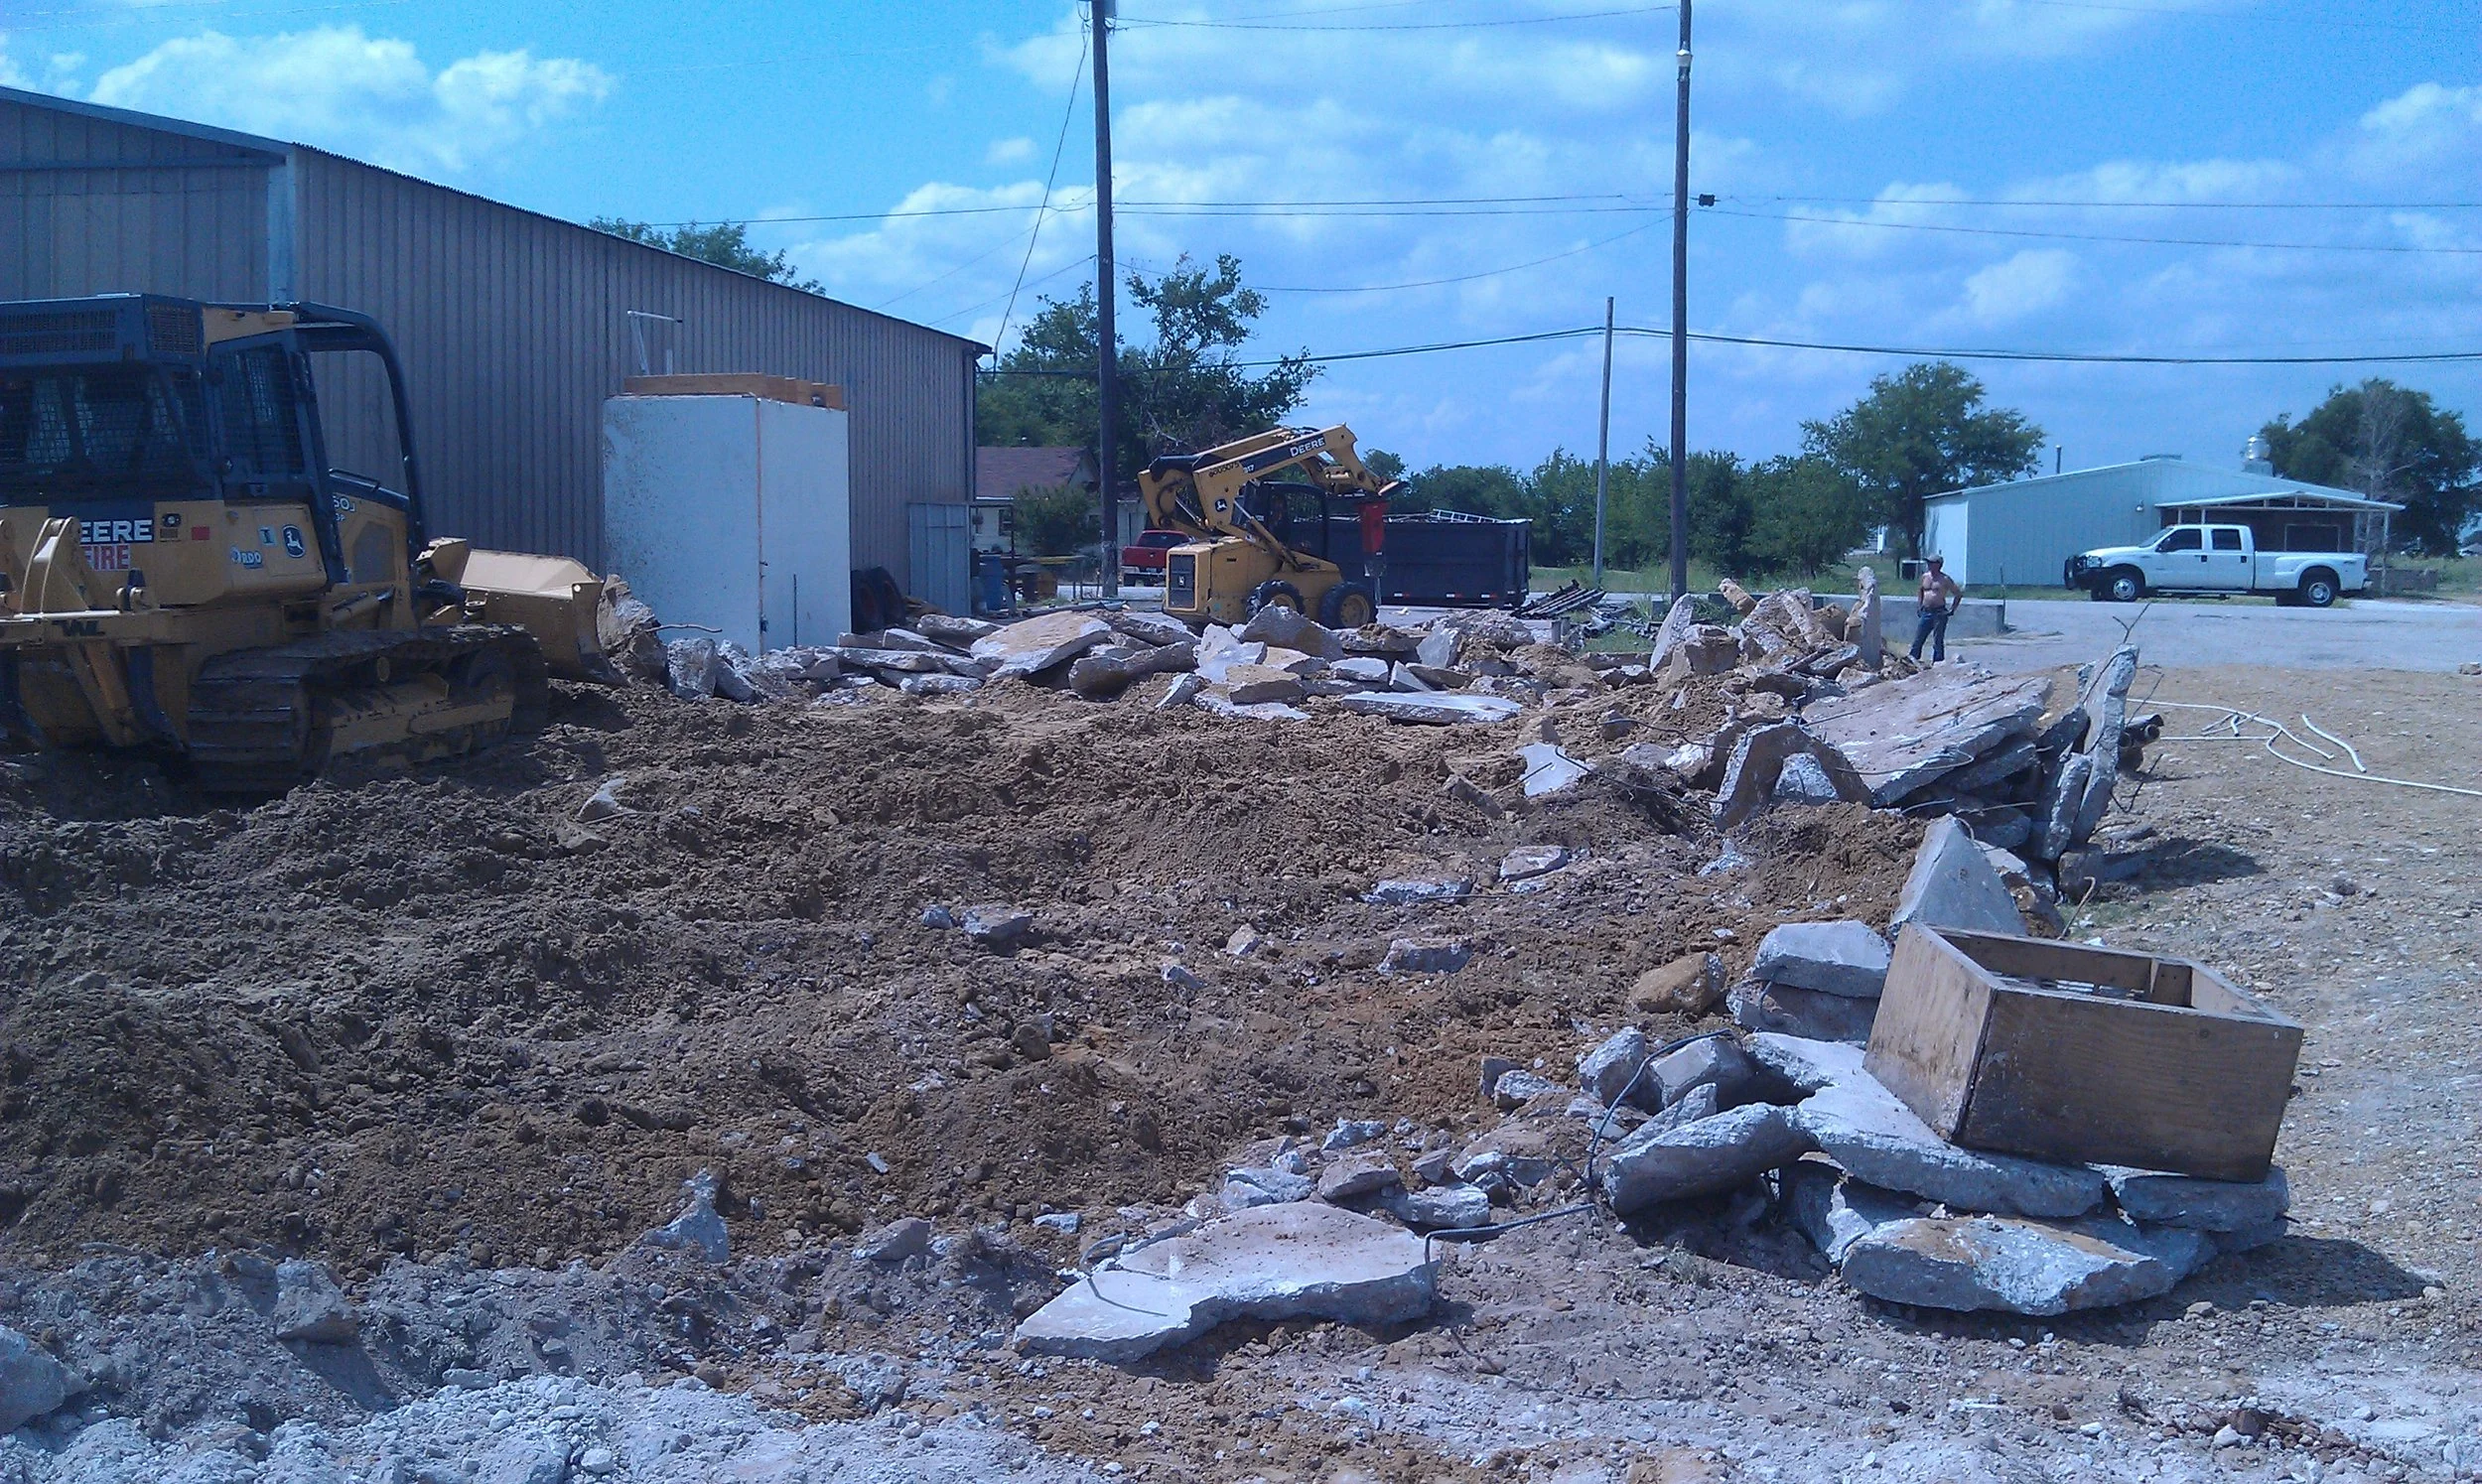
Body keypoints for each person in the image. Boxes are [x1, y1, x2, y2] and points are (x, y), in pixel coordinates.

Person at [1912, 555, 1963, 663]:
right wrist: (1919, 604)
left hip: (1939, 612)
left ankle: (1938, 662)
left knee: (1938, 640)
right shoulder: (1925, 577)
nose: (1929, 565)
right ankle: (1913, 660)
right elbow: (1921, 590)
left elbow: (1957, 594)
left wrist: (1952, 609)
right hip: (1926, 611)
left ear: (1938, 564)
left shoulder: (1945, 579)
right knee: (1919, 637)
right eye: (1928, 563)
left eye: (1931, 563)